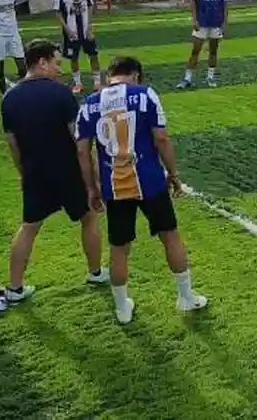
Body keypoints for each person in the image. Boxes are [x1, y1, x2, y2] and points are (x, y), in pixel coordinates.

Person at [76, 56, 208, 324]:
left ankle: (122, 308)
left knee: (119, 248)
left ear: (110, 75)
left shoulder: (89, 103)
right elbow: (162, 138)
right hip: (150, 181)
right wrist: (173, 174)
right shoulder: (145, 94)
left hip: (114, 186)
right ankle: (185, 297)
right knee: (170, 236)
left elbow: (81, 151)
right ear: (135, 75)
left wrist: (91, 187)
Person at [0, 39, 107, 303]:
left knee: (29, 228)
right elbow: (79, 141)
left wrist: (23, 173)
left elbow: (13, 144)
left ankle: (14, 288)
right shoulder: (61, 94)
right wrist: (93, 178)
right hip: (68, 171)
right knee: (89, 217)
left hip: (35, 173)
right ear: (42, 62)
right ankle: (95, 272)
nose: (60, 69)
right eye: (56, 63)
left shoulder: (8, 98)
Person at [177, 0, 233, 89]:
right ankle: (187, 78)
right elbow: (192, 1)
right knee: (195, 50)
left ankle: (210, 77)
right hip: (201, 21)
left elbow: (226, 3)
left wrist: (225, 22)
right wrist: (194, 19)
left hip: (216, 22)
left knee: (213, 51)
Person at [54, 0, 102, 94]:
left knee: (93, 55)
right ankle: (78, 83)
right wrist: (67, 30)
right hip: (72, 32)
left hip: (86, 31)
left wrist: (90, 27)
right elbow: (58, 13)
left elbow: (90, 7)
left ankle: (97, 82)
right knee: (73, 58)